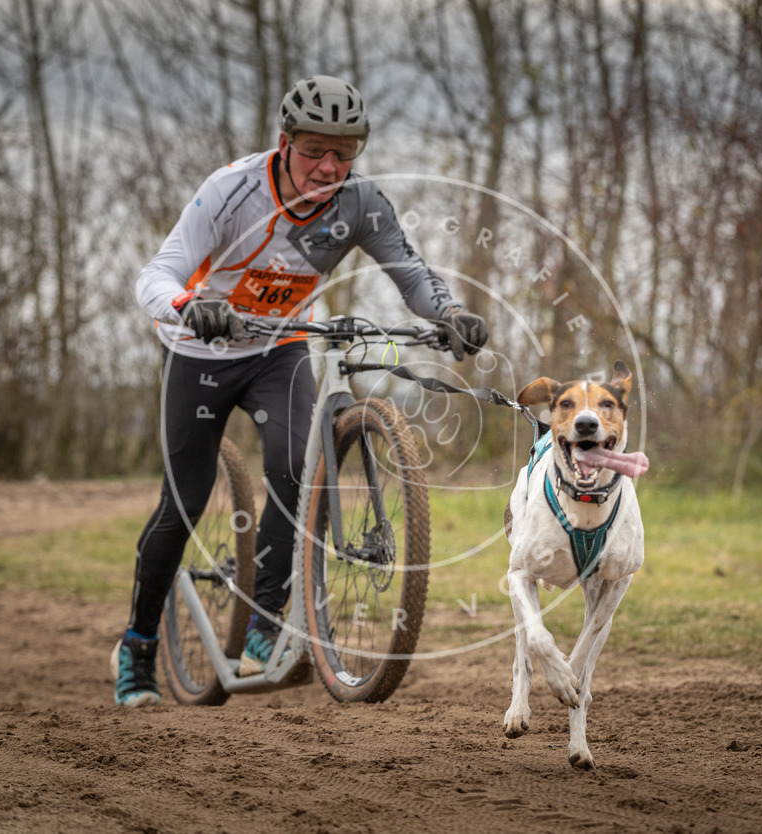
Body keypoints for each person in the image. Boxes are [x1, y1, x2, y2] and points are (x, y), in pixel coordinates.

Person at [112, 75, 488, 706]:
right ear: (284, 143)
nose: (329, 165)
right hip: (200, 351)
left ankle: (265, 626)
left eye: (344, 152)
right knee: (183, 504)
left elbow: (411, 272)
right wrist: (187, 304)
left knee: (294, 468)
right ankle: (138, 648)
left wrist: (448, 314)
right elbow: (158, 272)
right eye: (315, 149)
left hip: (277, 350)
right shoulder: (230, 191)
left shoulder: (359, 204)